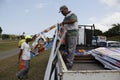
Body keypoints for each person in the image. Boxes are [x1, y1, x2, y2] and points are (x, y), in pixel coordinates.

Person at [59, 5, 78, 69]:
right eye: (61, 12)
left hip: (72, 33)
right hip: (67, 33)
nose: (62, 13)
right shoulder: (66, 17)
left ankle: (69, 64)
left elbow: (73, 20)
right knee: (67, 48)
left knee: (71, 49)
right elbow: (64, 26)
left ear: (66, 9)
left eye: (62, 11)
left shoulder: (72, 14)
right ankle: (67, 61)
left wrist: (64, 22)